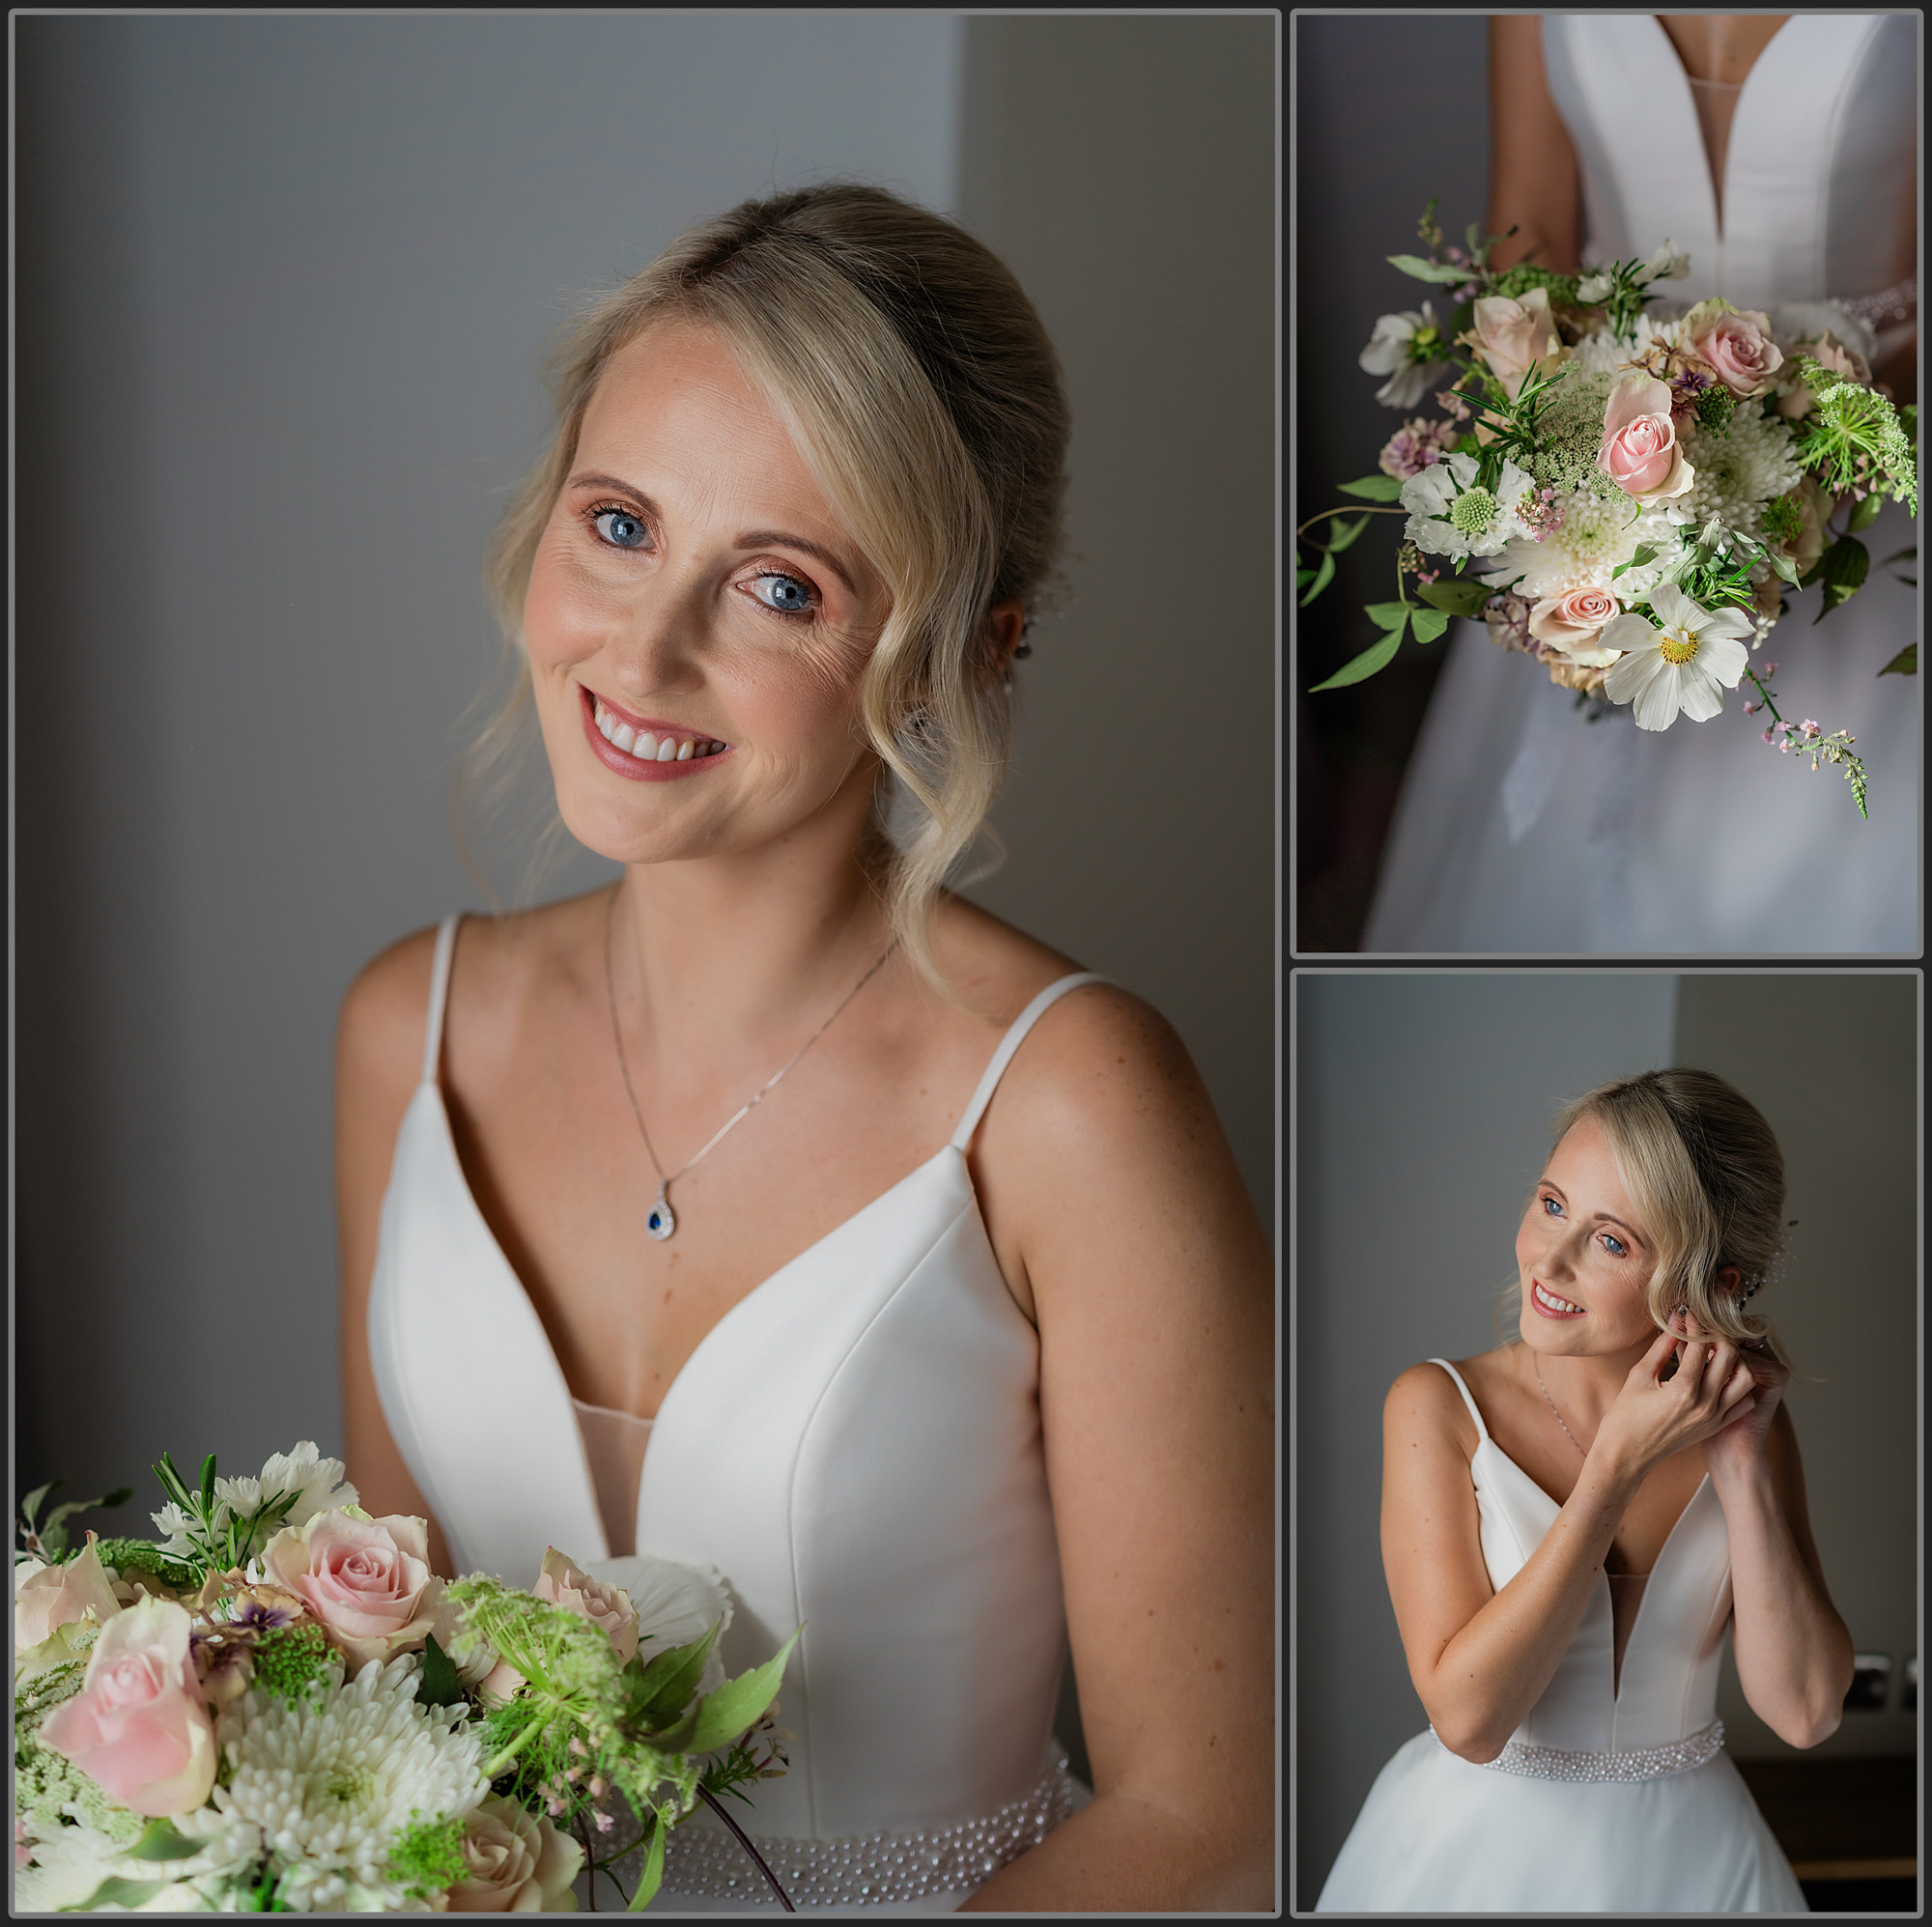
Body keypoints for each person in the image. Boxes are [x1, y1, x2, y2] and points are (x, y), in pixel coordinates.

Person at [333, 184, 1273, 1913]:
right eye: (618, 524)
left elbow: (1203, 1814)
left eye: (779, 585)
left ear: (958, 657)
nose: (646, 645)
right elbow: (392, 1672)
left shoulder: (1075, 1107)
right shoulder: (413, 1030)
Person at [1364, 14, 1918, 952]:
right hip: (1598, 461)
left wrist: (1816, 447)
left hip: (1870, 464)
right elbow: (1530, 227)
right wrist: (1563, 462)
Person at [1317, 1068, 1851, 1913]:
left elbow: (1807, 1711)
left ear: (1712, 1282)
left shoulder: (1750, 1426)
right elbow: (1470, 1722)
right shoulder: (1438, 1406)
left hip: (1695, 1868)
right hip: (1472, 1863)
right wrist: (1615, 1467)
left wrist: (1743, 1464)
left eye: (1612, 1241)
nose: (1549, 1258)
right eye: (1552, 1203)